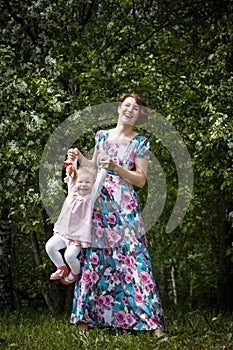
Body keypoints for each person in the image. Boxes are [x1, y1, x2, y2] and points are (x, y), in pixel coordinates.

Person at [68, 93, 165, 337]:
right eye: (127, 105)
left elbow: (141, 180)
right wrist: (78, 158)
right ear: (119, 108)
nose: (130, 110)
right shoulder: (101, 136)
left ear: (140, 116)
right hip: (99, 205)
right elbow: (91, 169)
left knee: (135, 258)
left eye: (136, 108)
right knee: (94, 258)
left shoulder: (140, 142)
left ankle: (153, 325)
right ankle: (83, 321)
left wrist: (117, 168)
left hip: (125, 207)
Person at [45, 162, 107, 285]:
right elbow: (72, 174)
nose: (83, 185)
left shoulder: (90, 198)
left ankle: (74, 272)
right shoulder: (71, 192)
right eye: (80, 182)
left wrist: (104, 169)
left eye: (87, 183)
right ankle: (61, 268)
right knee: (50, 247)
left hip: (77, 237)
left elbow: (99, 182)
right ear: (75, 183)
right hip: (63, 232)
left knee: (69, 256)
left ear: (92, 185)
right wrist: (72, 159)